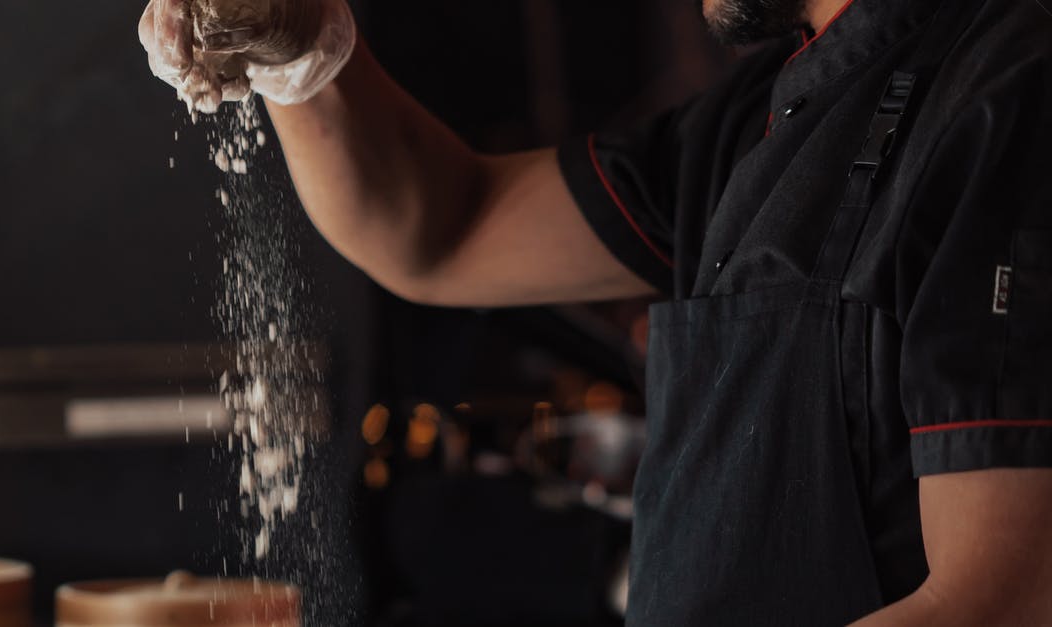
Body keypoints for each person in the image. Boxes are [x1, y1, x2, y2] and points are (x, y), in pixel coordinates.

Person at [139, 0, 1052, 624]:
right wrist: (302, 55)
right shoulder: (760, 117)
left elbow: (1005, 600)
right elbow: (444, 231)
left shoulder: (1011, 96)